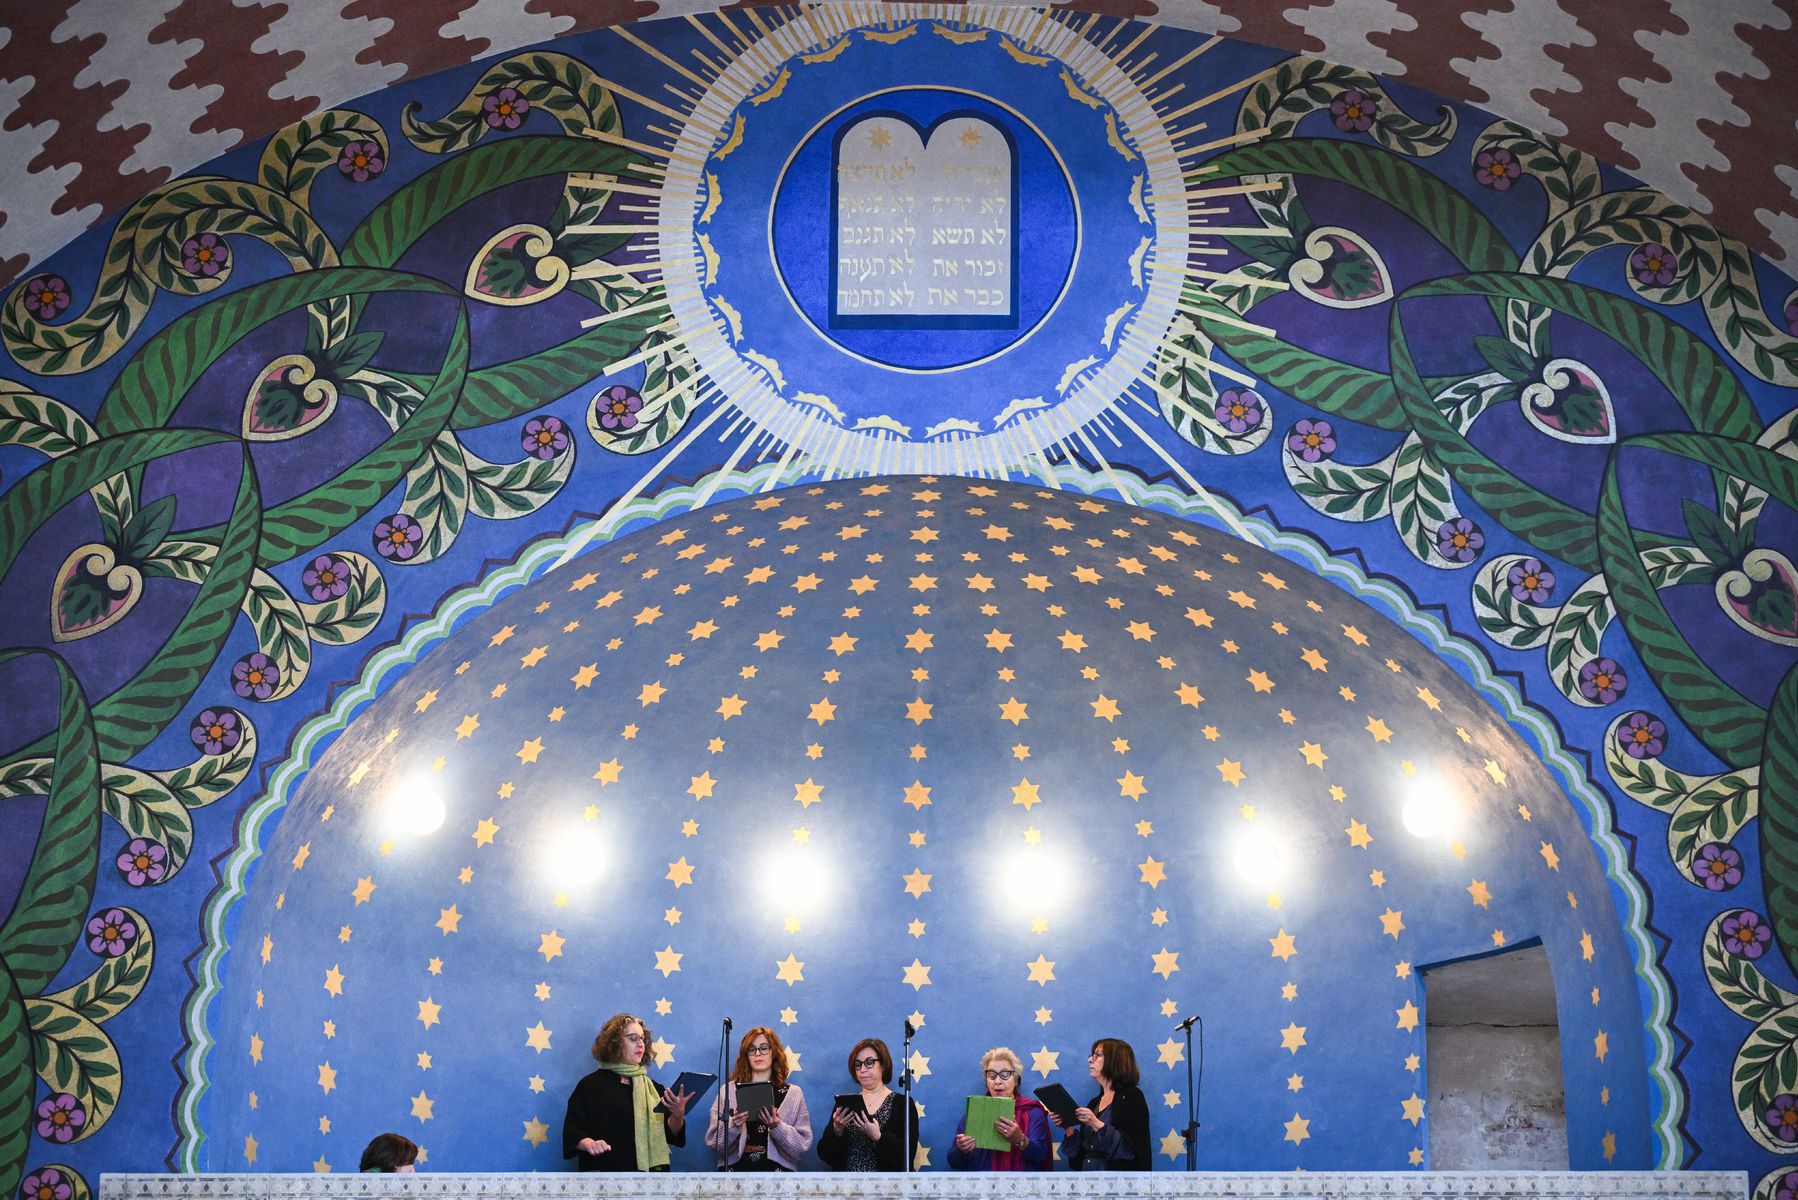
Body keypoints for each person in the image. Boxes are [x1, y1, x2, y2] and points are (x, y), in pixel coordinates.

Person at [562, 1012, 692, 1171]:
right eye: (633, 1038)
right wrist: (590, 1144)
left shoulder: (654, 1089)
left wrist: (677, 1115)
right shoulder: (590, 1085)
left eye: (643, 1038)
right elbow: (572, 1131)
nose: (641, 1044)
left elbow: (670, 1135)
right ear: (615, 1042)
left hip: (650, 1180)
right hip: (605, 1175)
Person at [705, 1025, 813, 1170]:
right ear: (746, 1055)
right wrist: (733, 1125)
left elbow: (801, 1148)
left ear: (774, 1053)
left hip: (778, 1174)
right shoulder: (727, 1091)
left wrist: (777, 1127)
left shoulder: (793, 1093)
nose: (757, 1053)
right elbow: (714, 1144)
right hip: (735, 1171)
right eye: (752, 1049)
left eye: (764, 1048)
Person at [817, 1037, 920, 1172]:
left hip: (886, 1185)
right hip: (847, 1184)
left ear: (883, 1065)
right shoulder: (846, 1103)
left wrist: (879, 1137)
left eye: (869, 1063)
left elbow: (907, 1156)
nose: (862, 1069)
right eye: (858, 1064)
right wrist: (836, 1131)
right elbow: (826, 1156)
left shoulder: (902, 1104)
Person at [1052, 1037, 1152, 1170]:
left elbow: (1132, 1149)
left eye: (1097, 1055)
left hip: (1117, 1180)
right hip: (1088, 1179)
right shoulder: (1094, 1103)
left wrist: (1095, 1123)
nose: (1090, 1060)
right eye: (1091, 1055)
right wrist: (1068, 1128)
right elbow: (1079, 1159)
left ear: (1115, 1061)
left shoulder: (1132, 1097)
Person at [947, 1046, 1050, 1170]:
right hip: (982, 1182)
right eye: (991, 1075)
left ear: (1016, 1080)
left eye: (1005, 1074)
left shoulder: (1032, 1112)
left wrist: (1020, 1139)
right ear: (986, 1081)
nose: (997, 1081)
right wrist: (962, 1150)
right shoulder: (974, 1112)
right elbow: (954, 1163)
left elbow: (1041, 1157)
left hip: (1021, 1182)